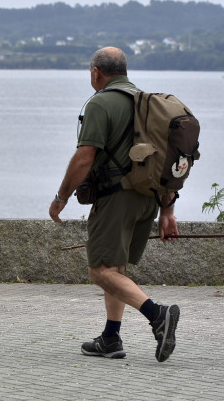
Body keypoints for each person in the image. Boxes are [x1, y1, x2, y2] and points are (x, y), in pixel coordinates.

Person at [49, 46, 180, 362]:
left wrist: (61, 197)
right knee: (116, 267)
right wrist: (167, 210)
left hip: (116, 198)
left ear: (96, 72)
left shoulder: (101, 103)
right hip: (148, 199)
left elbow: (84, 158)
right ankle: (110, 338)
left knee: (100, 270)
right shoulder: (150, 104)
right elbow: (167, 160)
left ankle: (157, 314)